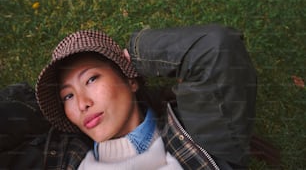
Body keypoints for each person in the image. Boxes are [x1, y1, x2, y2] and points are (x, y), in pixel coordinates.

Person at [4, 24, 257, 169]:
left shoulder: (196, 140)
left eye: (91, 79)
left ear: (131, 80)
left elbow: (216, 48)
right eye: (67, 97)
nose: (82, 103)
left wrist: (136, 57)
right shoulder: (58, 157)